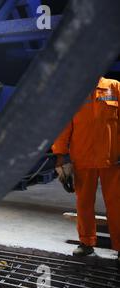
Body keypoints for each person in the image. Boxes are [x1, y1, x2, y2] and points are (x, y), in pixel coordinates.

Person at [52, 77, 119, 262]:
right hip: (82, 159)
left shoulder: (114, 87)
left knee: (116, 204)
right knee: (84, 203)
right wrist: (60, 155)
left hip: (112, 159)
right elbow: (63, 127)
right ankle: (86, 243)